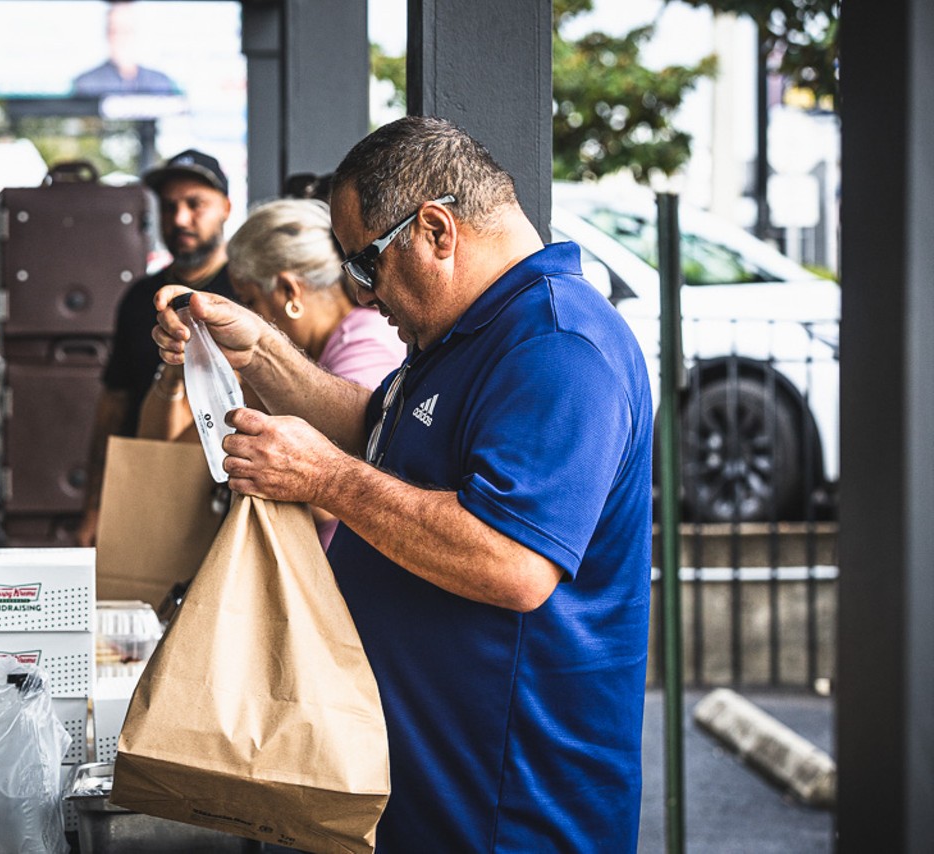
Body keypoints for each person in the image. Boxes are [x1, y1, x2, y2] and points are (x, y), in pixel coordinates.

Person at [150, 116, 653, 852]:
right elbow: (376, 428)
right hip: (435, 797)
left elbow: (511, 562)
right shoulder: (466, 331)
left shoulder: (557, 347)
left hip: (509, 811)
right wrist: (258, 351)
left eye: (365, 264)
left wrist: (322, 475)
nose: (359, 295)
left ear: (437, 232)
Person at [137, 197, 406, 550]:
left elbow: (335, 501)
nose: (249, 316)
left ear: (288, 292)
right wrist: (181, 368)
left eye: (250, 301)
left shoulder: (364, 346)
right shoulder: (294, 362)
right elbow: (175, 454)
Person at [76, 148, 234, 547]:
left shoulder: (248, 294)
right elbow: (114, 405)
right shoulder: (140, 298)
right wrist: (95, 505)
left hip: (224, 495)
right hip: (143, 487)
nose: (180, 219)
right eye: (169, 207)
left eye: (195, 204)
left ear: (227, 208)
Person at [71, 2, 181, 97]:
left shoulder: (160, 83)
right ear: (106, 34)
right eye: (114, 31)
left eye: (126, 30)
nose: (120, 38)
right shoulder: (85, 84)